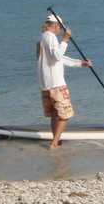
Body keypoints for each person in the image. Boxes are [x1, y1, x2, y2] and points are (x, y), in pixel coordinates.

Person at [37, 14, 92, 149]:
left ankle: (56, 140)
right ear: (56, 26)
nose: (61, 31)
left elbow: (59, 58)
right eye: (60, 28)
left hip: (45, 83)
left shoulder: (41, 38)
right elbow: (57, 56)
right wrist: (65, 40)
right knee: (65, 115)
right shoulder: (50, 37)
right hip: (56, 83)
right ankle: (54, 144)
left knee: (55, 114)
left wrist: (79, 63)